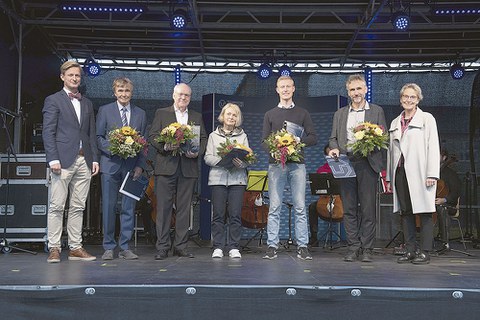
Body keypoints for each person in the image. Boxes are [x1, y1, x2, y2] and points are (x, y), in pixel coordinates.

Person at [42, 60, 99, 263]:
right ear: (62, 77)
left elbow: (91, 133)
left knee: (78, 206)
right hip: (62, 160)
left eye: (77, 76)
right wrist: (53, 159)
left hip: (84, 160)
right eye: (71, 75)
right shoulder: (53, 100)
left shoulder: (87, 103)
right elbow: (48, 132)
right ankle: (54, 247)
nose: (75, 78)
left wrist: (94, 158)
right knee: (57, 205)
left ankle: (75, 247)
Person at [328, 74, 387, 262]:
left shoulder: (377, 111)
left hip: (368, 163)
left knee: (368, 209)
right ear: (348, 92)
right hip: (345, 162)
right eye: (352, 90)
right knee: (349, 209)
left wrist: (371, 141)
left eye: (359, 88)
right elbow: (332, 139)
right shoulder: (340, 114)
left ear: (365, 89)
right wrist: (334, 148)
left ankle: (367, 248)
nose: (356, 93)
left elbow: (383, 136)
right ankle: (353, 247)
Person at [148, 83, 207, 260]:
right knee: (164, 209)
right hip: (166, 167)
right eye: (180, 94)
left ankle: (181, 246)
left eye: (187, 95)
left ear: (190, 98)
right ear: (173, 95)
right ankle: (163, 247)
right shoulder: (162, 113)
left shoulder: (196, 116)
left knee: (184, 209)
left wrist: (197, 151)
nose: (183, 98)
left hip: (188, 169)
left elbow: (203, 138)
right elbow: (152, 136)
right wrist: (165, 146)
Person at [262, 75, 317, 260]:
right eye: (282, 87)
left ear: (293, 89)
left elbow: (313, 137)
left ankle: (302, 246)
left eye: (288, 86)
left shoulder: (303, 113)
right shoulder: (269, 114)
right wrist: (275, 150)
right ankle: (272, 246)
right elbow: (263, 141)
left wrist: (298, 140)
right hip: (276, 165)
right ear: (277, 90)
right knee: (275, 207)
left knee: (300, 206)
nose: (285, 89)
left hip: (297, 165)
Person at [386, 83, 440, 265]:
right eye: (406, 97)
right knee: (405, 212)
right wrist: (388, 177)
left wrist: (432, 173)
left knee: (424, 211)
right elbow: (390, 152)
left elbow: (433, 146)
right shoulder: (395, 122)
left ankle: (424, 251)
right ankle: (409, 250)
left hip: (420, 172)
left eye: (412, 97)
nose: (408, 100)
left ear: (418, 100)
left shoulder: (426, 119)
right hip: (400, 172)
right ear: (401, 99)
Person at [96, 77, 147, 260]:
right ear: (114, 92)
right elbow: (99, 137)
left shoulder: (140, 113)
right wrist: (115, 148)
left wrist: (140, 165)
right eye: (120, 91)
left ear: (131, 93)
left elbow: (143, 142)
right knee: (109, 207)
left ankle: (125, 246)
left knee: (128, 207)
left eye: (127, 91)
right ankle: (108, 247)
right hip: (110, 165)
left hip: (132, 167)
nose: (124, 94)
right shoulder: (105, 110)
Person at [204, 103, 250, 259]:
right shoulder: (213, 136)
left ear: (238, 119)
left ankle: (234, 247)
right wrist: (223, 161)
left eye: (235, 115)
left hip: (237, 180)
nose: (231, 117)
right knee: (218, 214)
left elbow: (248, 157)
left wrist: (242, 163)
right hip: (218, 179)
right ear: (222, 116)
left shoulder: (243, 136)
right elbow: (207, 157)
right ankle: (218, 246)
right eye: (229, 114)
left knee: (235, 214)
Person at [435, 149, 461, 248]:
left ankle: (445, 242)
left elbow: (455, 192)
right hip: (432, 203)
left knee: (441, 208)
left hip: (448, 203)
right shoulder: (429, 172)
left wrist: (444, 199)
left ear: (444, 158)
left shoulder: (450, 173)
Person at [308, 144, 332, 246]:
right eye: (328, 155)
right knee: (312, 207)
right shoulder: (321, 170)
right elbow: (318, 190)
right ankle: (314, 238)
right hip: (325, 200)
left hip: (341, 200)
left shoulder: (344, 169)